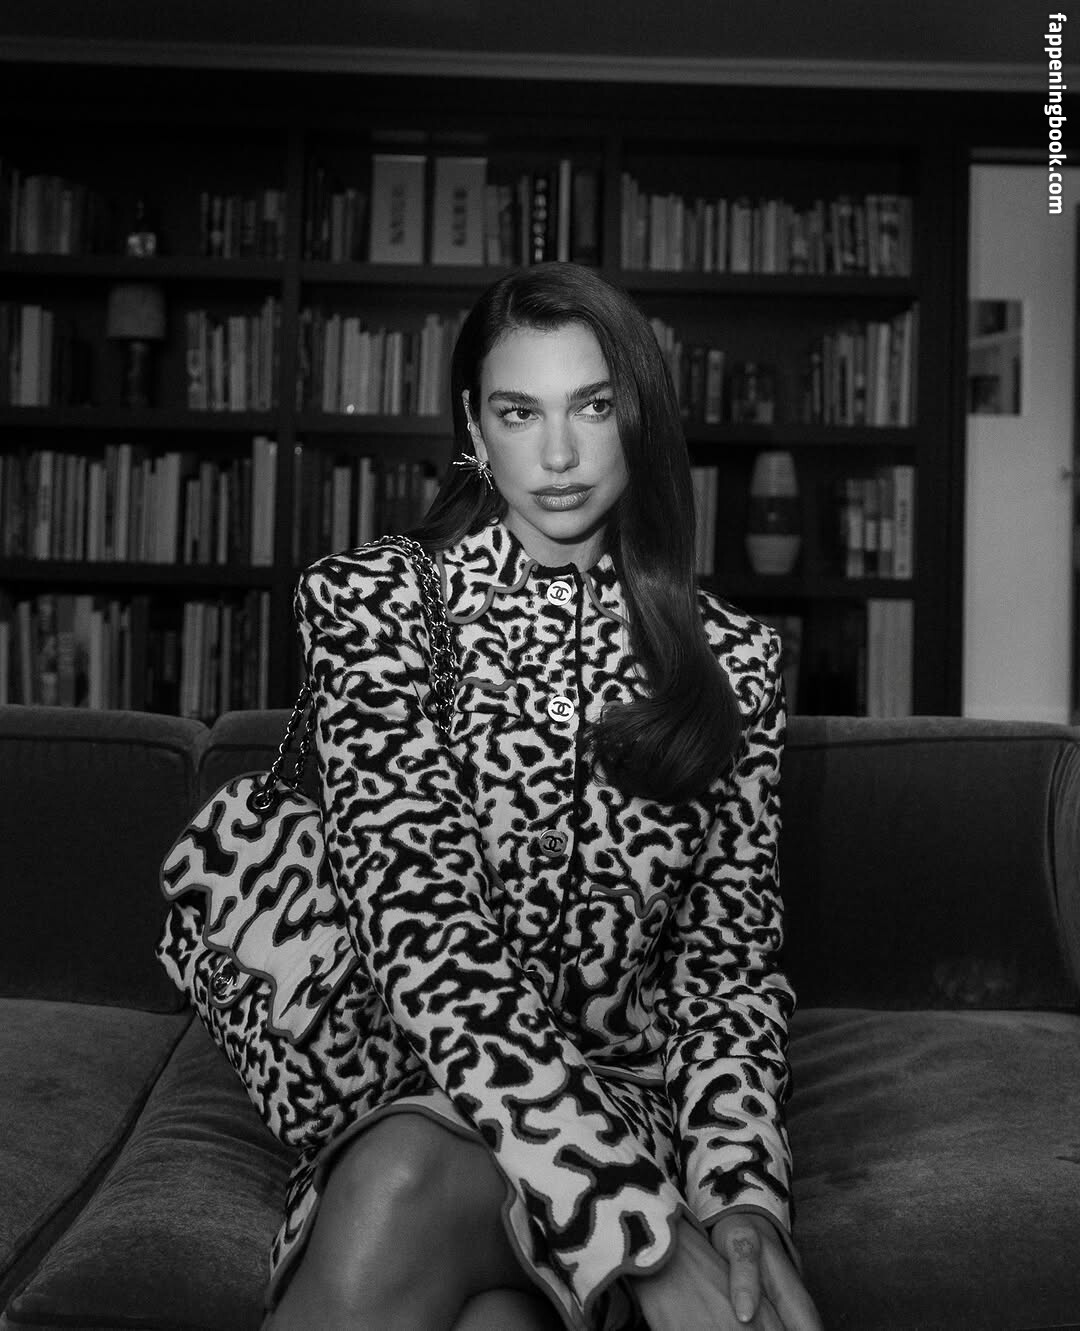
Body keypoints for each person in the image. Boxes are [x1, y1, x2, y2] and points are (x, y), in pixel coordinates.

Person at [264, 262, 822, 1331]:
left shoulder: (732, 661)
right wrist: (640, 1231)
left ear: (637, 415)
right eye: (520, 412)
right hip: (430, 1090)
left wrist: (741, 1196)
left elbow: (727, 972)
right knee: (407, 1184)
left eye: (593, 407)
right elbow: (424, 935)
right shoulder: (377, 607)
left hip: (632, 1106)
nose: (558, 455)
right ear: (475, 426)